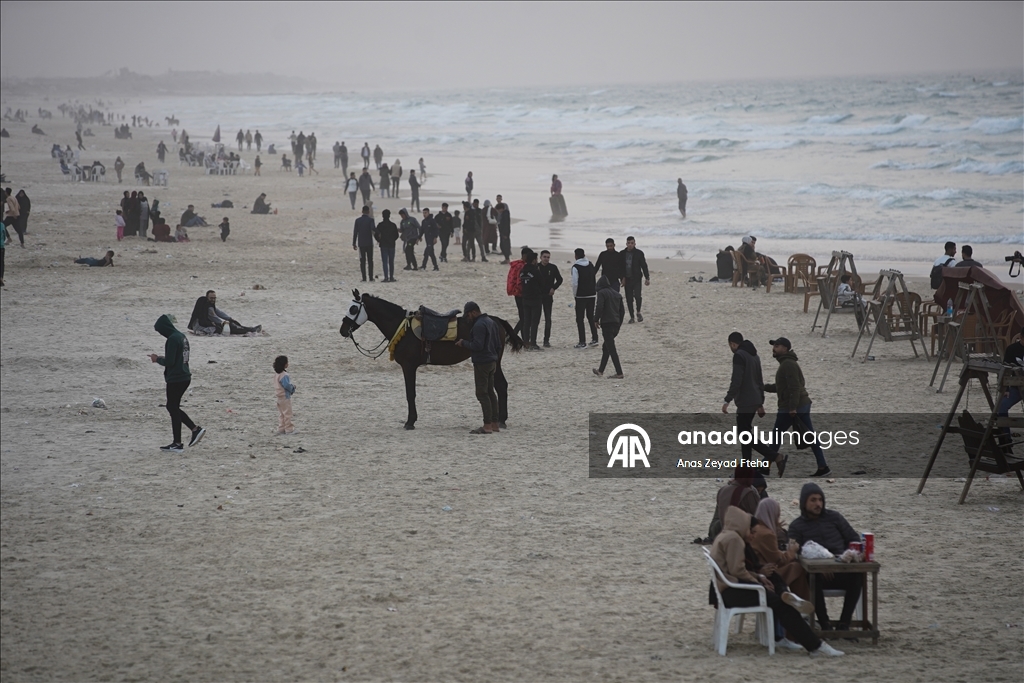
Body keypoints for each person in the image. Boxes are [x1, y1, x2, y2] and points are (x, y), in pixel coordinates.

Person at [712, 506, 843, 657]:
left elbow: (736, 570)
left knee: (776, 590)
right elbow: (738, 571)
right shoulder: (735, 540)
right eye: (752, 531)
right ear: (743, 526)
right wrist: (759, 580)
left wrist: (759, 577)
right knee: (782, 605)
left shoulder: (725, 535)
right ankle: (815, 645)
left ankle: (811, 641)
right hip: (732, 592)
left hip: (726, 590)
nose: (753, 535)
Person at [788, 483, 862, 633]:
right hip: (817, 574)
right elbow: (797, 552)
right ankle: (825, 624)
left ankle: (844, 625)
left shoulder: (835, 517)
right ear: (804, 503)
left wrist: (851, 554)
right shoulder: (796, 526)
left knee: (859, 575)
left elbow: (853, 539)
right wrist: (822, 566)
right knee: (812, 578)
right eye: (813, 500)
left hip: (842, 569)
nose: (818, 504)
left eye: (820, 500)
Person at [763, 337, 831, 477]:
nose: (774, 348)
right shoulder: (787, 363)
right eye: (774, 345)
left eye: (777, 345)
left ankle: (765, 466)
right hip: (801, 404)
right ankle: (823, 466)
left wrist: (792, 408)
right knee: (811, 437)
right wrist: (764, 387)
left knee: (776, 436)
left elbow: (794, 388)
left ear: (785, 348)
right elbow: (783, 387)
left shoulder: (788, 364)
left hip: (792, 406)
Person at [722, 332, 782, 472]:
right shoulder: (754, 355)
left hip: (745, 401)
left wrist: (727, 400)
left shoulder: (739, 355)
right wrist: (760, 402)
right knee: (746, 434)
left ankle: (775, 456)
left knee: (744, 435)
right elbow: (759, 379)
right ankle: (746, 469)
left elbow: (736, 380)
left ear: (732, 344)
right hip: (754, 400)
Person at [149, 314, 206, 453]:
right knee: (173, 407)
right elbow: (177, 357)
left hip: (177, 377)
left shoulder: (172, 339)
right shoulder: (181, 336)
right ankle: (192, 431)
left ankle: (180, 440)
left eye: (160, 330)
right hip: (185, 375)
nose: (160, 333)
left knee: (172, 407)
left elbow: (170, 362)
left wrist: (157, 360)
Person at [456, 302, 501, 434]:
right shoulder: (491, 322)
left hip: (483, 362)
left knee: (482, 393)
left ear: (474, 312)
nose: (468, 317)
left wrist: (463, 343)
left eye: (469, 314)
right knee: (491, 392)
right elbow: (498, 344)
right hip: (492, 361)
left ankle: (487, 425)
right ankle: (494, 424)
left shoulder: (479, 325)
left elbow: (477, 345)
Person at [187, 291, 261, 336]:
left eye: (214, 298)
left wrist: (229, 319)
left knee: (232, 325)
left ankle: (250, 329)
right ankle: (250, 330)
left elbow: (219, 312)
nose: (213, 300)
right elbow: (213, 316)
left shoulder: (210, 304)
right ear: (207, 297)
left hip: (206, 324)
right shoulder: (205, 304)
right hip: (200, 327)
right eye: (211, 298)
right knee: (228, 327)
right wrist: (223, 323)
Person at [592, 276, 624, 378]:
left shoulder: (601, 293)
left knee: (611, 349)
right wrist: (619, 323)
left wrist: (596, 319)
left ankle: (619, 373)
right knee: (606, 347)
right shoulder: (617, 294)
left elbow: (599, 306)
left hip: (607, 324)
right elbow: (622, 312)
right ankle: (601, 370)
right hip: (616, 324)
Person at [571, 248, 600, 348]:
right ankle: (595, 338)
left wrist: (575, 294)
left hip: (580, 295)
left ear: (576, 256)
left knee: (580, 318)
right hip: (592, 294)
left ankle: (582, 341)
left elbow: (575, 283)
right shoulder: (590, 264)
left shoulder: (575, 267)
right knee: (591, 316)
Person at [622, 236, 650, 323]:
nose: (630, 245)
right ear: (626, 244)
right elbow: (620, 267)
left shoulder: (639, 253)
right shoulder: (622, 254)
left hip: (636, 278)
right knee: (629, 299)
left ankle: (638, 312)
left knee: (638, 296)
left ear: (635, 244)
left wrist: (647, 277)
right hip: (627, 279)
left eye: (632, 243)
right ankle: (632, 317)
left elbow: (644, 266)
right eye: (629, 243)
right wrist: (621, 278)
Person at [520, 251, 544, 350]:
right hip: (535, 299)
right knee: (534, 322)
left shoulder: (522, 271)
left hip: (525, 298)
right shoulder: (535, 271)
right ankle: (533, 343)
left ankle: (526, 343)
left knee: (526, 322)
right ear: (534, 260)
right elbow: (542, 283)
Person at [539, 250, 563, 348]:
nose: (546, 259)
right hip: (537, 296)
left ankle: (546, 340)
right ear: (540, 257)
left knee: (548, 318)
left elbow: (560, 279)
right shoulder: (537, 267)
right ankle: (532, 340)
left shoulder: (553, 268)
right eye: (544, 257)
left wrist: (554, 288)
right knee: (535, 318)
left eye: (548, 257)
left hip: (548, 296)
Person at [272, 355, 297, 435]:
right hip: (285, 396)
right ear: (284, 364)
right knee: (287, 413)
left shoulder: (277, 374)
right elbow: (286, 385)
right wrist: (292, 388)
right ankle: (289, 429)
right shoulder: (284, 375)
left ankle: (281, 428)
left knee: (281, 414)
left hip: (278, 396)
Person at [375, 209, 399, 283]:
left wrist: (379, 240)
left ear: (382, 216)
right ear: (389, 215)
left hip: (383, 245)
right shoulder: (393, 225)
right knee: (391, 261)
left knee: (385, 261)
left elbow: (376, 234)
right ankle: (391, 277)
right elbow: (396, 235)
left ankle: (386, 277)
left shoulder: (380, 225)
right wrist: (392, 240)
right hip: (391, 245)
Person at [353, 205, 376, 281]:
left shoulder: (358, 220)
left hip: (361, 243)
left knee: (362, 261)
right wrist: (379, 235)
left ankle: (364, 277)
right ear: (368, 212)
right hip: (369, 243)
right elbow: (373, 229)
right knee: (370, 261)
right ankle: (371, 277)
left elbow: (355, 232)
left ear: (362, 211)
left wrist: (354, 243)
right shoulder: (371, 220)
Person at [495, 197, 512, 263]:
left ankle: (507, 259)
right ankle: (506, 258)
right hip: (503, 232)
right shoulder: (503, 214)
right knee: (502, 245)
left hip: (505, 232)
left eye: (498, 210)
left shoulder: (505, 214)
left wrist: (505, 234)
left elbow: (506, 225)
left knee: (505, 245)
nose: (498, 212)